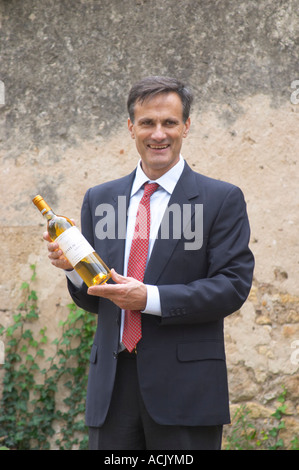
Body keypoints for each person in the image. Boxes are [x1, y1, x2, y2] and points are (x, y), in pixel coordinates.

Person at [44, 76, 254, 450]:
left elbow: (232, 287)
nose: (159, 134)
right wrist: (73, 272)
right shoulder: (99, 199)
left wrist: (149, 298)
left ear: (186, 126)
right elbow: (96, 298)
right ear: (131, 128)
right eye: (147, 123)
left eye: (169, 122)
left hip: (186, 392)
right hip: (111, 389)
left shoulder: (221, 199)